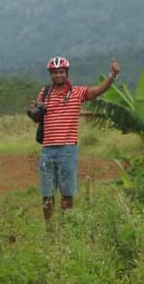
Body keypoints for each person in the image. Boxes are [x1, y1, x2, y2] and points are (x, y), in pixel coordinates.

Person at [34, 55, 120, 227]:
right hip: (47, 150)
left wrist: (112, 75)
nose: (58, 75)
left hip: (67, 149)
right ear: (50, 75)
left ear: (66, 73)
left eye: (61, 72)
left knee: (67, 192)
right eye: (55, 73)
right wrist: (35, 112)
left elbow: (97, 91)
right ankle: (49, 229)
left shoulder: (77, 92)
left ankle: (67, 228)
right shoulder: (44, 93)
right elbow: (35, 117)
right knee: (47, 193)